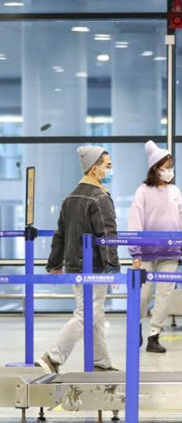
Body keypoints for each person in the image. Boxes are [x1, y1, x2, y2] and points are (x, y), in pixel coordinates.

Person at [37, 146, 120, 373]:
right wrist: (113, 267)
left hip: (74, 265)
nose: (110, 169)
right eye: (107, 165)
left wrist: (54, 263)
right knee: (87, 314)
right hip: (94, 267)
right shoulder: (100, 198)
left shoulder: (70, 197)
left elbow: (60, 234)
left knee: (95, 314)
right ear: (94, 169)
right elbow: (108, 235)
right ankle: (52, 357)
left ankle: (101, 362)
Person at [128, 141, 182, 353]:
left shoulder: (175, 191)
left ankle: (154, 335)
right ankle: (135, 326)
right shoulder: (142, 191)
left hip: (170, 254)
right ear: (155, 168)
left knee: (164, 295)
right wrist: (135, 252)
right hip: (145, 253)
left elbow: (181, 223)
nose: (170, 170)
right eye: (166, 166)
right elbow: (135, 222)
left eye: (171, 166)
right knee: (142, 295)